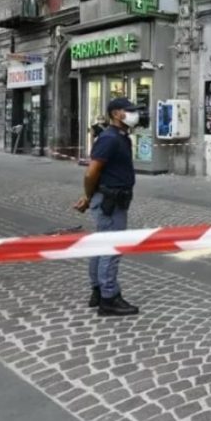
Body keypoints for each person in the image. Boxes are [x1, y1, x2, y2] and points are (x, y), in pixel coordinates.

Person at [74, 98, 142, 317]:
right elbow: (91, 172)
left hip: (112, 198)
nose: (133, 114)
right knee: (111, 248)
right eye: (128, 111)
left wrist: (89, 196)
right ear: (115, 114)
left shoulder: (121, 137)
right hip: (110, 201)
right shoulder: (110, 138)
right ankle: (109, 298)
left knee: (100, 245)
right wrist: (88, 195)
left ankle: (98, 290)